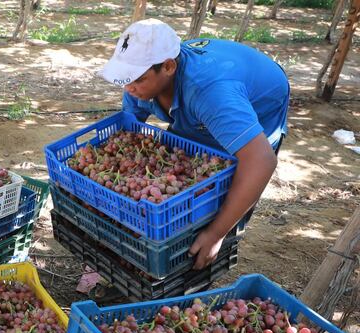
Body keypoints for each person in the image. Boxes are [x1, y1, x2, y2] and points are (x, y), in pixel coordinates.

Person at [99, 19, 290, 269]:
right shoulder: (140, 83)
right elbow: (128, 129)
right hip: (207, 97)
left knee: (225, 183)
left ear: (168, 67)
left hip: (260, 99)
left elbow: (261, 161)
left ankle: (213, 252)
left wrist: (216, 233)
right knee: (188, 164)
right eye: (125, 77)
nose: (128, 87)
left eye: (137, 79)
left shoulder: (210, 94)